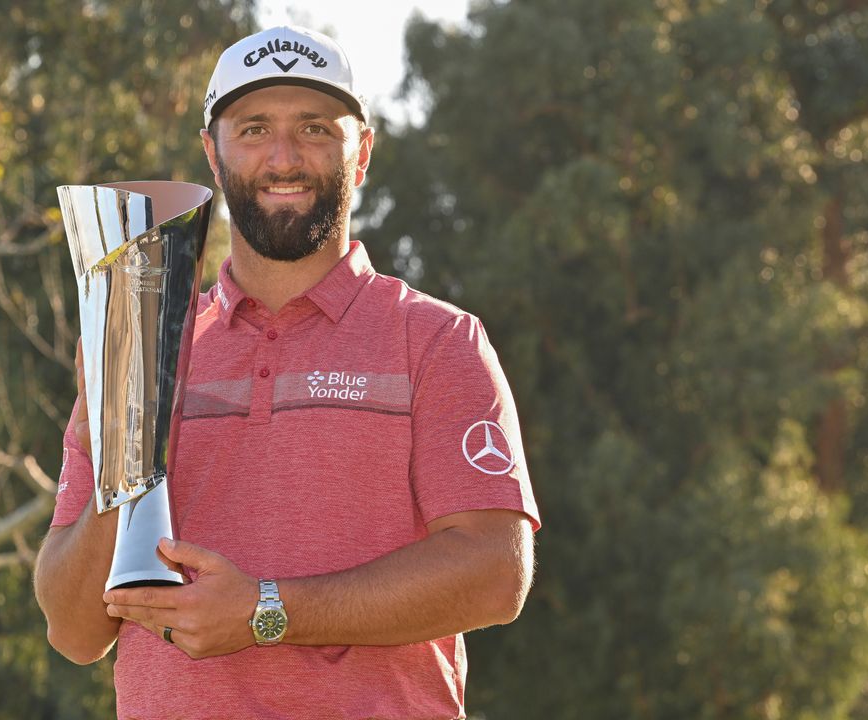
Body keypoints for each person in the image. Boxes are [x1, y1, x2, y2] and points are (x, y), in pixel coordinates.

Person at [34, 25, 541, 720]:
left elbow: (494, 573)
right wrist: (127, 459)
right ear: (212, 153)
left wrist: (266, 610)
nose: (283, 157)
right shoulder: (136, 344)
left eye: (313, 128)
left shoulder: (437, 341)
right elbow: (74, 631)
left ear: (360, 153)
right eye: (252, 129)